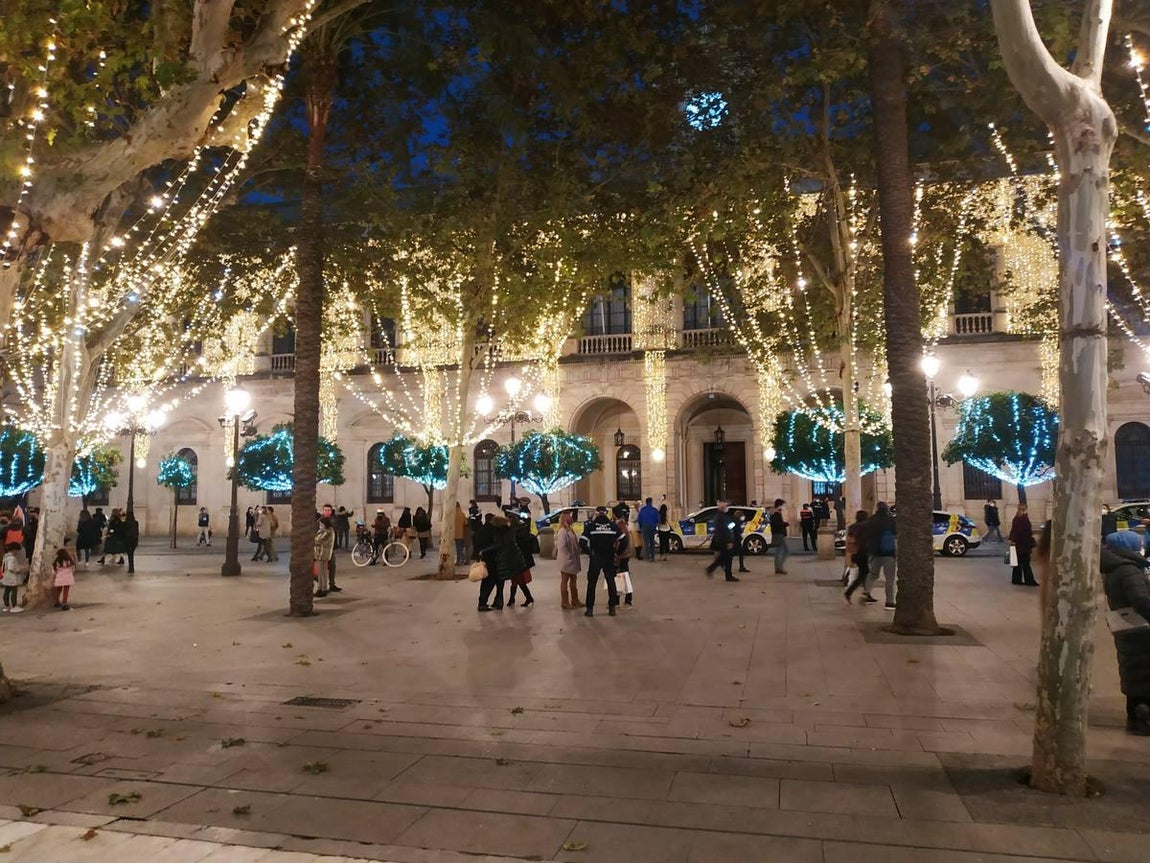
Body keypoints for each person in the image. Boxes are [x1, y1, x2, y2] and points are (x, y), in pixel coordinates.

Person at [1100, 530, 1150, 736]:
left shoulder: (1113, 568)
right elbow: (1140, 599)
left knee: (1133, 670)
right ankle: (1142, 717)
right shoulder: (1129, 570)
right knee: (1144, 670)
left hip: (1126, 627)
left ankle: (1135, 714)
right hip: (1141, 630)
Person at [477, 516, 524, 612]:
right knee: (499, 581)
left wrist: (484, 551)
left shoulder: (500, 532)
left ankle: (488, 602)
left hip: (498, 560)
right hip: (504, 560)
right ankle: (498, 601)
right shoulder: (508, 531)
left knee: (489, 582)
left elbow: (498, 544)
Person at [583, 506, 623, 616]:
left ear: (596, 514)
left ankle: (590, 609)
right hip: (609, 556)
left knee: (592, 583)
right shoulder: (612, 526)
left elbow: (582, 542)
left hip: (596, 557)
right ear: (606, 513)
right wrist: (617, 553)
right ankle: (612, 608)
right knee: (611, 582)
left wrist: (590, 553)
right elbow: (624, 539)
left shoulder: (591, 526)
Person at [865, 501, 898, 609]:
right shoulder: (890, 520)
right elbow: (896, 534)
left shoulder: (871, 520)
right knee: (890, 579)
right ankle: (889, 602)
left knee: (873, 574)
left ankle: (867, 593)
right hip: (888, 553)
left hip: (874, 553)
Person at [843, 510, 876, 604]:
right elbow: (865, 540)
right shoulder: (865, 526)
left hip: (855, 553)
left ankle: (865, 593)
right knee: (864, 573)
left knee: (864, 573)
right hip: (863, 553)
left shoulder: (853, 527)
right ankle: (851, 592)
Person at [703, 499, 738, 582]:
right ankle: (714, 570)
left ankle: (714, 570)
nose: (727, 508)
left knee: (723, 558)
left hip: (721, 540)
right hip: (724, 540)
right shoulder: (722, 517)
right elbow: (725, 530)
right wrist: (729, 541)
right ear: (722, 507)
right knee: (725, 558)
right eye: (726, 506)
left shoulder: (719, 516)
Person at [507, 512, 537, 607]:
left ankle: (527, 598)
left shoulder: (513, 533)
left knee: (518, 581)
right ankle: (513, 599)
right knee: (517, 581)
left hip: (517, 559)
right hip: (523, 560)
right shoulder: (523, 530)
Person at [554, 511, 582, 609]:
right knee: (565, 580)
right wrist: (569, 555)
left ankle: (575, 600)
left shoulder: (570, 529)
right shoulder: (562, 531)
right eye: (569, 517)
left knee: (573, 580)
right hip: (566, 560)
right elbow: (561, 546)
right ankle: (564, 602)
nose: (572, 518)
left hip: (572, 559)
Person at [1009, 503, 1038, 586]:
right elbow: (1027, 532)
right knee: (1026, 564)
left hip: (1018, 544)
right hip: (1024, 544)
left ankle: (1016, 579)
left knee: (1018, 563)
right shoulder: (1024, 519)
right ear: (1025, 509)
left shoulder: (1016, 518)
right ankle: (1029, 580)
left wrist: (1012, 540)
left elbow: (1013, 531)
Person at [615, 514, 635, 605]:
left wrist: (617, 553)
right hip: (625, 555)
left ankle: (621, 600)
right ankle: (625, 599)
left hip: (621, 556)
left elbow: (620, 542)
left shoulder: (620, 526)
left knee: (620, 577)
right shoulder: (624, 525)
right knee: (624, 577)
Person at [313, 517, 335, 597]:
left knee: (323, 572)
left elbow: (319, 540)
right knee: (319, 572)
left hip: (323, 554)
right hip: (319, 553)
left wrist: (312, 539)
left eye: (321, 524)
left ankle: (324, 589)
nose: (320, 525)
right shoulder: (322, 530)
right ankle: (319, 588)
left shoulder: (329, 531)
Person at [1, 542, 27, 613]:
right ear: (14, 550)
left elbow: (3, 567)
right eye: (17, 551)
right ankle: (14, 606)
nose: (17, 553)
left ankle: (6, 606)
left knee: (6, 591)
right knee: (14, 592)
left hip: (6, 577)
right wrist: (20, 569)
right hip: (12, 578)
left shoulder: (5, 557)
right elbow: (11, 568)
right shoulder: (12, 558)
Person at [52, 546, 76, 610]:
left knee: (58, 590)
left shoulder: (57, 562)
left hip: (59, 578)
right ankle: (64, 602)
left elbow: (54, 571)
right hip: (68, 578)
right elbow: (73, 569)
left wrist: (54, 577)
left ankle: (56, 601)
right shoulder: (69, 561)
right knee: (66, 591)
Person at [637, 497, 659, 563]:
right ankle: (653, 556)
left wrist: (641, 527)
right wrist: (655, 526)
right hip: (652, 527)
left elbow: (639, 519)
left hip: (644, 527)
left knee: (646, 542)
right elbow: (658, 519)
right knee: (652, 542)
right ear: (651, 502)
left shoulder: (642, 510)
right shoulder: (654, 510)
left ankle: (648, 556)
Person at [770, 500, 789, 574]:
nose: (784, 507)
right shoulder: (776, 514)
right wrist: (785, 524)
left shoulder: (776, 513)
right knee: (785, 551)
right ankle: (779, 567)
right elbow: (778, 525)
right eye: (783, 505)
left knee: (778, 552)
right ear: (779, 505)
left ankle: (778, 568)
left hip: (779, 534)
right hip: (779, 534)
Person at [454, 502, 468, 566]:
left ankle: (459, 560)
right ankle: (462, 559)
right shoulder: (462, 514)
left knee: (458, 548)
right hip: (462, 533)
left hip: (455, 534)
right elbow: (466, 523)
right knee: (461, 548)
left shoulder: (452, 514)